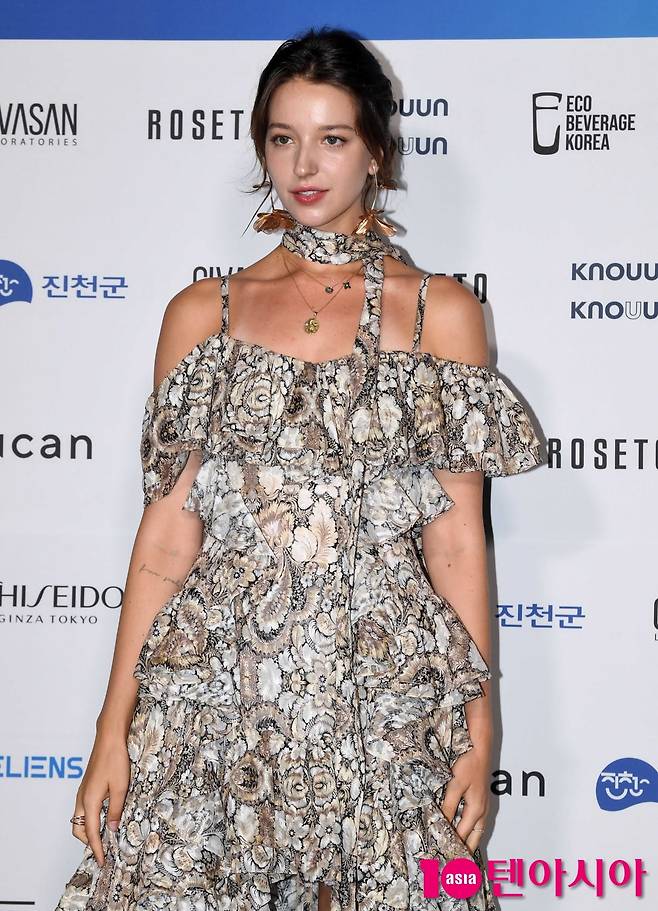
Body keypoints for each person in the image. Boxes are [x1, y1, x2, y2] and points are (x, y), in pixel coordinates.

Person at [54, 26, 542, 911]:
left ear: (377, 151)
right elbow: (165, 539)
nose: (304, 165)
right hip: (217, 690)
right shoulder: (204, 312)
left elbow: (457, 541)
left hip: (379, 691)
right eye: (283, 138)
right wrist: (111, 727)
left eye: (332, 138)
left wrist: (481, 728)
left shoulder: (440, 314)